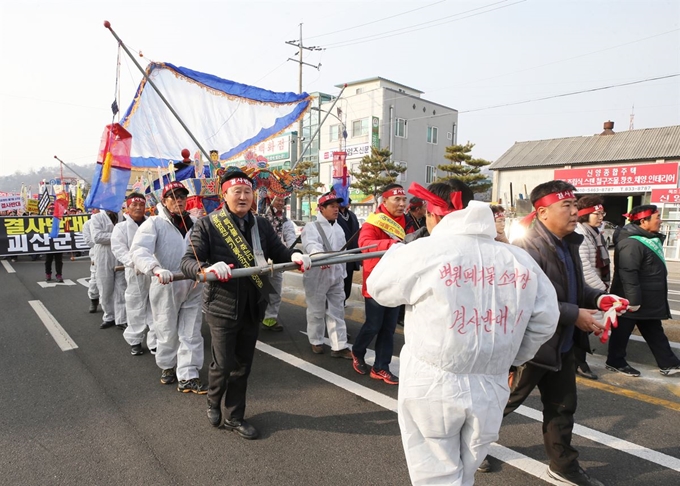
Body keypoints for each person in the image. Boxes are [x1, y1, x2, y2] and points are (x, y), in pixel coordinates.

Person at [367, 180, 558, 486]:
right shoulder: (518, 259)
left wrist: (395, 253)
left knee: (435, 473)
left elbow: (380, 289)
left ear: (434, 215)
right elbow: (546, 318)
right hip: (492, 383)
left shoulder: (425, 251)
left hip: (432, 383)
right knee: (466, 469)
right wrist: (511, 357)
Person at [479, 180, 629, 486]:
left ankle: (563, 465)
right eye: (567, 206)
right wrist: (575, 315)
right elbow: (528, 300)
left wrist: (598, 299)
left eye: (575, 205)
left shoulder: (568, 242)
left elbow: (573, 289)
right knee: (502, 403)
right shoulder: (526, 249)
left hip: (560, 345)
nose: (576, 212)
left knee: (562, 407)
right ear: (543, 212)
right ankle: (469, 446)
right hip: (529, 348)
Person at [180, 170, 311, 440]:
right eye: (236, 191)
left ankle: (235, 416)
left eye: (247, 192)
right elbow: (187, 262)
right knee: (223, 363)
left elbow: (281, 252)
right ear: (224, 195)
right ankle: (213, 400)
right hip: (221, 305)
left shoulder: (261, 224)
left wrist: (297, 255)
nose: (242, 196)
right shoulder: (207, 225)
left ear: (254, 196)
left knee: (243, 365)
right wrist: (207, 267)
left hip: (253, 304)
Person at [131, 181, 206, 393]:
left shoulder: (196, 223)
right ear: (164, 201)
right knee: (166, 329)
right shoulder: (154, 223)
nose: (179, 200)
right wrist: (154, 269)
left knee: (191, 331)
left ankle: (189, 374)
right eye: (174, 196)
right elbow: (139, 251)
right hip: (166, 283)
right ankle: (167, 365)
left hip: (192, 283)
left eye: (182, 196)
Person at [607, 205, 680, 377]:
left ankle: (668, 363)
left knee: (654, 330)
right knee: (622, 331)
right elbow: (628, 273)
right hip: (631, 300)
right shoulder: (631, 243)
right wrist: (633, 301)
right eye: (657, 218)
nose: (660, 221)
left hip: (645, 299)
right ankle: (615, 361)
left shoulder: (647, 239)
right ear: (643, 221)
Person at [351, 183, 413, 385]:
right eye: (397, 199)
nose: (402, 203)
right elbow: (365, 245)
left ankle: (380, 367)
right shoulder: (374, 222)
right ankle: (358, 351)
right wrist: (394, 245)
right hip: (377, 281)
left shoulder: (407, 220)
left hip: (397, 281)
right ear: (384, 201)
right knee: (373, 325)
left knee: (389, 327)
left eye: (404, 199)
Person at [302, 191, 352, 358]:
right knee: (316, 310)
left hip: (337, 274)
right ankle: (315, 340)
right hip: (318, 275)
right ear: (321, 208)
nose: (336, 209)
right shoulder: (312, 227)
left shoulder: (338, 228)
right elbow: (311, 245)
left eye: (337, 206)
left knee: (337, 310)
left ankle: (339, 345)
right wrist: (319, 257)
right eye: (331, 206)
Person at [111, 193, 156, 356]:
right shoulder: (121, 228)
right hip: (135, 272)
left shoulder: (152, 224)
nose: (138, 208)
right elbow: (118, 248)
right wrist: (134, 262)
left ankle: (154, 341)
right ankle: (135, 340)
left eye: (141, 205)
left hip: (154, 271)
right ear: (127, 207)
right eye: (134, 205)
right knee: (136, 305)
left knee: (156, 305)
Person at [573, 196, 611, 380]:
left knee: (583, 328)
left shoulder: (595, 234)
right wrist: (601, 291)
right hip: (586, 289)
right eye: (597, 213)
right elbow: (585, 268)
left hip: (593, 288)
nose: (601, 217)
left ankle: (576, 360)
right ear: (585, 214)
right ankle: (579, 362)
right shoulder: (580, 234)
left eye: (602, 213)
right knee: (582, 327)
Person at [261, 193, 297, 332]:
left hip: (276, 260)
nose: (281, 203)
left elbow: (291, 240)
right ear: (270, 199)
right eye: (278, 199)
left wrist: (291, 254)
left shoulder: (286, 221)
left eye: (283, 200)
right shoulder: (260, 218)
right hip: (258, 260)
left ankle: (270, 318)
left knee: (275, 290)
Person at [90, 208, 127, 329]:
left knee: (122, 288)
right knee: (105, 288)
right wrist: (119, 235)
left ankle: (122, 319)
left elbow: (129, 233)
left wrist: (119, 237)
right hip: (103, 255)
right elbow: (97, 237)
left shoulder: (124, 217)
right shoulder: (96, 218)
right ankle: (109, 316)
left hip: (121, 253)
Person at [336, 198, 361, 303]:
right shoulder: (332, 215)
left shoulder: (352, 215)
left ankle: (343, 301)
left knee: (347, 285)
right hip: (337, 258)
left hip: (351, 256)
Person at [81, 210, 100, 313]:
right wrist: (102, 244)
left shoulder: (112, 221)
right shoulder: (88, 224)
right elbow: (89, 241)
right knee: (94, 280)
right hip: (96, 253)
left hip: (113, 253)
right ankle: (94, 299)